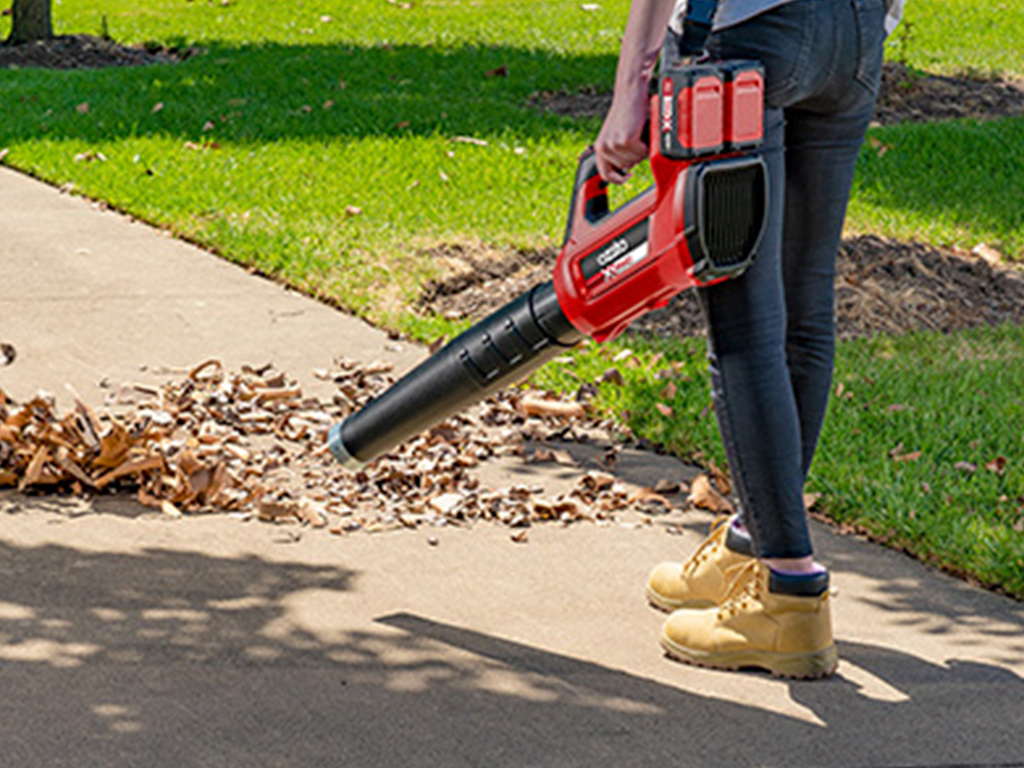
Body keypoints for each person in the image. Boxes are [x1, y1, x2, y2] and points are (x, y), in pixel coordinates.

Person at [594, 0, 900, 679]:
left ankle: (789, 597)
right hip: (853, 36)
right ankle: (754, 538)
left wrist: (630, 89)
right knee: (803, 307)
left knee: (745, 320)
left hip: (745, 32)